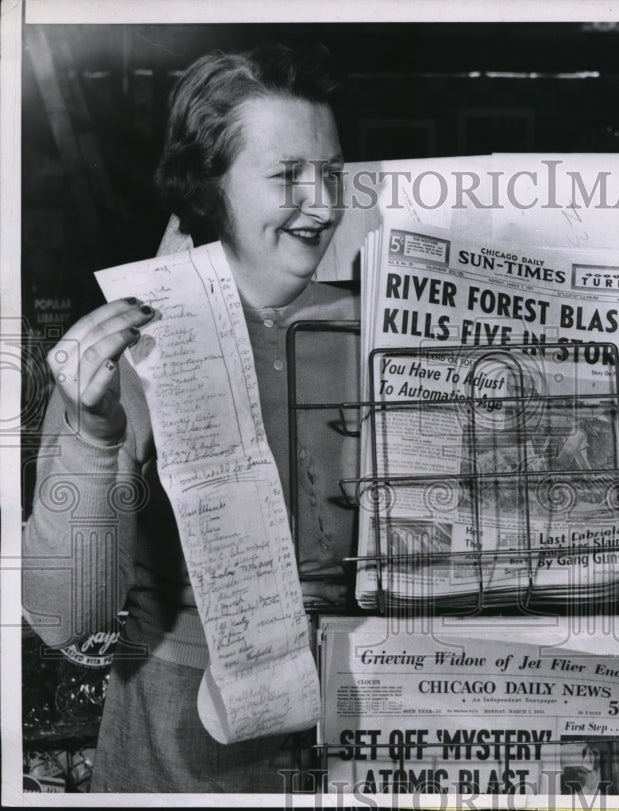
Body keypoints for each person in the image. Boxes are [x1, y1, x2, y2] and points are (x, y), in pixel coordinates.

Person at [22, 44, 359, 792]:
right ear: (211, 187)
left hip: (355, 731)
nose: (325, 203)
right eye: (287, 177)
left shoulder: (369, 328)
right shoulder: (127, 346)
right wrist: (94, 433)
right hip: (180, 755)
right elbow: (66, 616)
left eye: (332, 173)